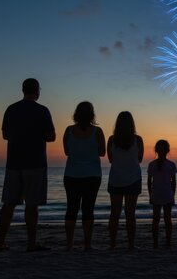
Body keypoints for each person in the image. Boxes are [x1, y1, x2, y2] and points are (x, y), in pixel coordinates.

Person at [0, 78, 56, 252]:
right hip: (35, 162)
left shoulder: (11, 109)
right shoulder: (42, 111)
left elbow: (5, 135)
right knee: (32, 205)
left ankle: (1, 242)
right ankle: (31, 243)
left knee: (8, 204)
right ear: (37, 91)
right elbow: (51, 137)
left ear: (23, 90)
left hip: (14, 162)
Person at [62, 101, 105, 251]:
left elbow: (67, 151)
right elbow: (102, 152)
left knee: (71, 209)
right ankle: (87, 244)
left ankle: (69, 244)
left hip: (72, 174)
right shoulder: (97, 131)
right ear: (92, 114)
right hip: (92, 175)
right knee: (88, 209)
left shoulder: (68, 130)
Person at [107, 111, 144, 250]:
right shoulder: (138, 140)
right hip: (133, 179)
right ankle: (131, 244)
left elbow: (110, 159)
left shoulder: (111, 139)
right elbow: (140, 159)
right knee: (130, 214)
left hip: (115, 178)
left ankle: (112, 244)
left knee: (114, 213)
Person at [147, 140, 177, 249]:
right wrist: (173, 195)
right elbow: (173, 182)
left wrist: (150, 195)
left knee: (156, 219)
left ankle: (155, 243)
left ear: (156, 150)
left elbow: (149, 182)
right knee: (167, 219)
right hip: (167, 194)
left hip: (156, 194)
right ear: (168, 151)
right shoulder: (171, 165)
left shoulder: (151, 164)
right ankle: (168, 242)